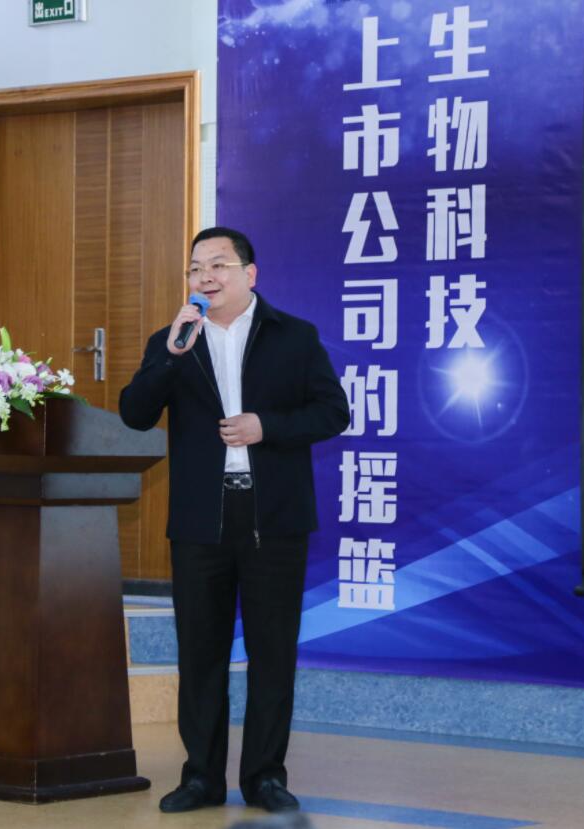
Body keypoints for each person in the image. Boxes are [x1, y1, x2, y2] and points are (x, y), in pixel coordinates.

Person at [119, 226, 350, 814]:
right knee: (201, 653)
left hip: (273, 517)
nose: (205, 277)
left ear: (250, 274)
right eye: (196, 268)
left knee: (273, 652)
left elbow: (333, 412)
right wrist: (169, 358)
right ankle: (201, 777)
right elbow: (135, 414)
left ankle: (265, 777)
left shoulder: (293, 336)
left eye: (218, 265)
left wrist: (265, 426)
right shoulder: (173, 340)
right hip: (202, 518)